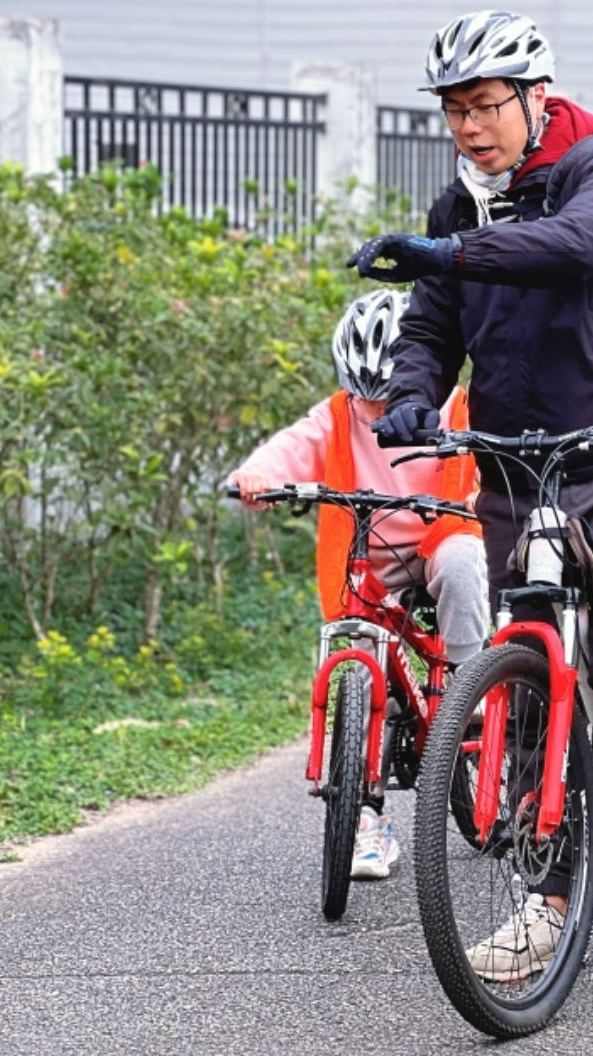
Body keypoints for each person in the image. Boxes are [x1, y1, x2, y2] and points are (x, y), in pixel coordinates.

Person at [346, 9, 593, 977]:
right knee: (524, 686)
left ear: (534, 97)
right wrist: (410, 397)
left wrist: (450, 254)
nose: (470, 126)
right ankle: (545, 896)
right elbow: (433, 327)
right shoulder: (456, 210)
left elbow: (577, 245)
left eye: (485, 105)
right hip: (516, 463)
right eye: (453, 110)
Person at [228, 290, 489, 882]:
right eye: (365, 399)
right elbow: (293, 446)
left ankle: (469, 687)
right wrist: (258, 476)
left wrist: (489, 495)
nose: (376, 413)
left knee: (463, 562)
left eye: (389, 398)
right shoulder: (337, 414)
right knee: (363, 666)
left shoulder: (465, 408)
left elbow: (494, 461)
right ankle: (365, 819)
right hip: (369, 553)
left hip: (442, 537)